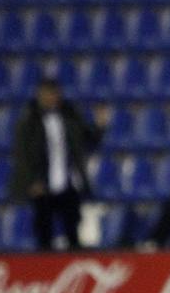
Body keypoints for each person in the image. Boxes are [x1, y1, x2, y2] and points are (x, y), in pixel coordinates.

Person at [9, 78, 106, 251]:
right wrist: (32, 181)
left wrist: (99, 127)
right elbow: (23, 154)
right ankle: (44, 271)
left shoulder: (69, 116)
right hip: (42, 184)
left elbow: (88, 141)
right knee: (44, 233)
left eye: (53, 93)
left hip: (68, 183)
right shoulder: (29, 120)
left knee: (73, 232)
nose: (50, 98)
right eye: (46, 94)